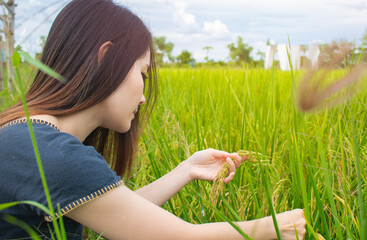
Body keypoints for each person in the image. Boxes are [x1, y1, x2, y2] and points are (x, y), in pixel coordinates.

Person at [0, 0, 306, 239]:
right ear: (105, 58)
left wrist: (186, 169)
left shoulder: (28, 138)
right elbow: (181, 238)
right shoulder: (53, 154)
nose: (144, 97)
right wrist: (275, 227)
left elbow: (112, 215)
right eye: (143, 73)